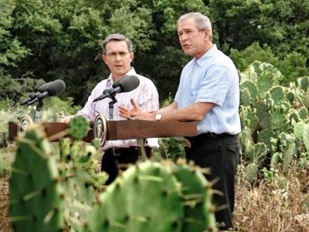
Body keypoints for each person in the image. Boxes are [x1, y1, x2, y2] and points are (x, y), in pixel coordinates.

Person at [119, 12, 241, 230]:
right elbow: (177, 106)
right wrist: (147, 115)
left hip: (218, 147)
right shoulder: (190, 67)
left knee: (218, 217)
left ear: (206, 34)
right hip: (194, 146)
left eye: (188, 32)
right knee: (197, 216)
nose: (183, 38)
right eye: (179, 34)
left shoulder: (219, 65)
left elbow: (196, 112)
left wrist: (154, 117)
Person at [63, 33, 160, 185]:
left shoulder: (145, 85)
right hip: (108, 158)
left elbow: (153, 123)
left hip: (138, 156)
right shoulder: (100, 88)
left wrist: (139, 117)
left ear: (131, 56)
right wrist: (72, 119)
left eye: (122, 53)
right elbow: (86, 115)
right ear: (105, 59)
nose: (118, 59)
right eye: (112, 54)